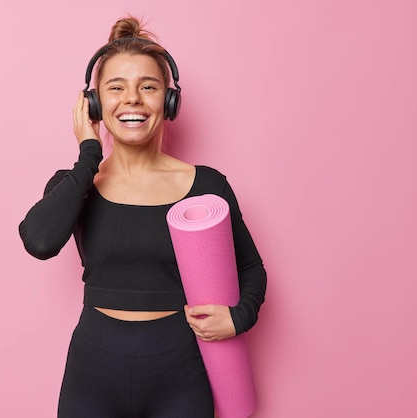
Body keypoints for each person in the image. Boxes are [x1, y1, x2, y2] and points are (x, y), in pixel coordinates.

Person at [19, 16, 266, 418]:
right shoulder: (76, 183)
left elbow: (251, 266)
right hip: (92, 373)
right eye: (115, 88)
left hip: (179, 374)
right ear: (94, 103)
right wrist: (88, 153)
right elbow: (40, 242)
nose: (132, 99)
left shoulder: (206, 185)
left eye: (148, 87)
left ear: (168, 102)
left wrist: (238, 318)